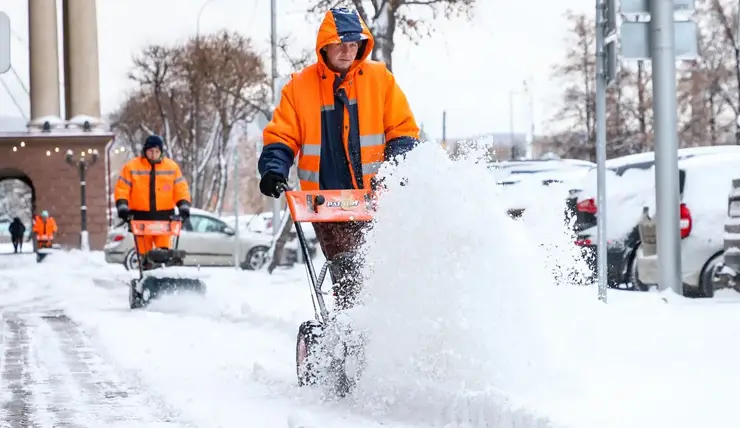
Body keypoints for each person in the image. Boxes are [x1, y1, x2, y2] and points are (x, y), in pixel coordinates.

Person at [257, 7, 421, 309]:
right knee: (348, 267)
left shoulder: (379, 80)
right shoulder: (299, 87)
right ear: (325, 45)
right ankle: (352, 334)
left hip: (375, 200)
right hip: (326, 205)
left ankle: (383, 328)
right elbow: (282, 135)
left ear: (362, 45)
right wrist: (273, 169)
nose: (347, 51)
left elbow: (402, 129)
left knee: (383, 271)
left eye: (353, 44)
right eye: (340, 44)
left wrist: (397, 166)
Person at [114, 135, 191, 269]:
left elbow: (181, 188)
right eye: (150, 151)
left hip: (164, 220)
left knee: (164, 254)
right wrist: (122, 207)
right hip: (140, 220)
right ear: (145, 151)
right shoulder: (132, 167)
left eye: (157, 151)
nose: (154, 155)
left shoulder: (171, 167)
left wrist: (183, 206)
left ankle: (164, 280)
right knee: (145, 257)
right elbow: (122, 188)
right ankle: (146, 278)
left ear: (161, 151)